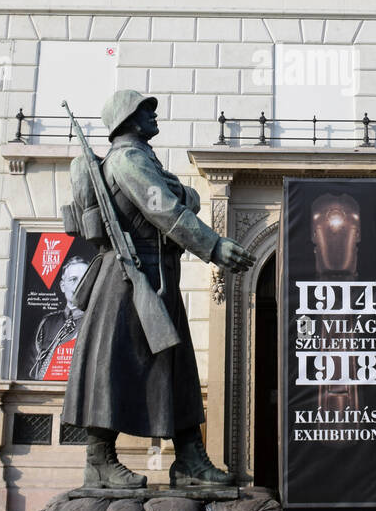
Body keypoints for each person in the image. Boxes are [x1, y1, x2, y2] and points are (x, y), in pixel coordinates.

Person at [61, 90, 254, 489]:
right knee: (113, 365)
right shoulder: (128, 159)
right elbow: (162, 206)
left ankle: (188, 458)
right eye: (145, 110)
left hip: (154, 273)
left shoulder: (141, 159)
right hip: (130, 276)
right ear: (128, 119)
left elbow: (179, 199)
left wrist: (181, 195)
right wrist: (213, 246)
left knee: (176, 367)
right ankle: (99, 459)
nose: (153, 115)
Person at [28, 255, 89, 381]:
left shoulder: (96, 321)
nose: (79, 286)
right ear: (62, 286)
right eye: (73, 279)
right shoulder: (47, 322)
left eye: (84, 280)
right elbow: (31, 363)